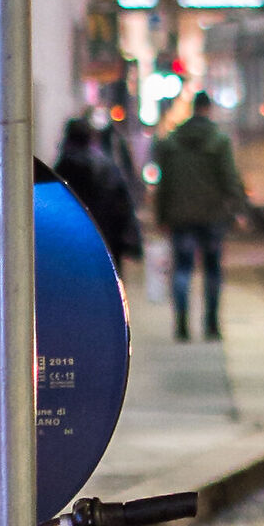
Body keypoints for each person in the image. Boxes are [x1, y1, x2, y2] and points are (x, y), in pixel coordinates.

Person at [153, 90, 245, 341]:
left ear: (193, 109)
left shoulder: (171, 142)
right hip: (212, 217)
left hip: (180, 217)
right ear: (209, 109)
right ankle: (211, 324)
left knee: (182, 269)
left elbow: (164, 185)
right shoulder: (219, 141)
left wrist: (161, 216)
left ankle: (182, 324)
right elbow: (229, 179)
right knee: (212, 270)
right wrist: (236, 209)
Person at [56, 115, 143, 271]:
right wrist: (130, 240)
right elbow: (122, 205)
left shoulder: (60, 170)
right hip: (106, 241)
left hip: (72, 243)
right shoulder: (106, 166)